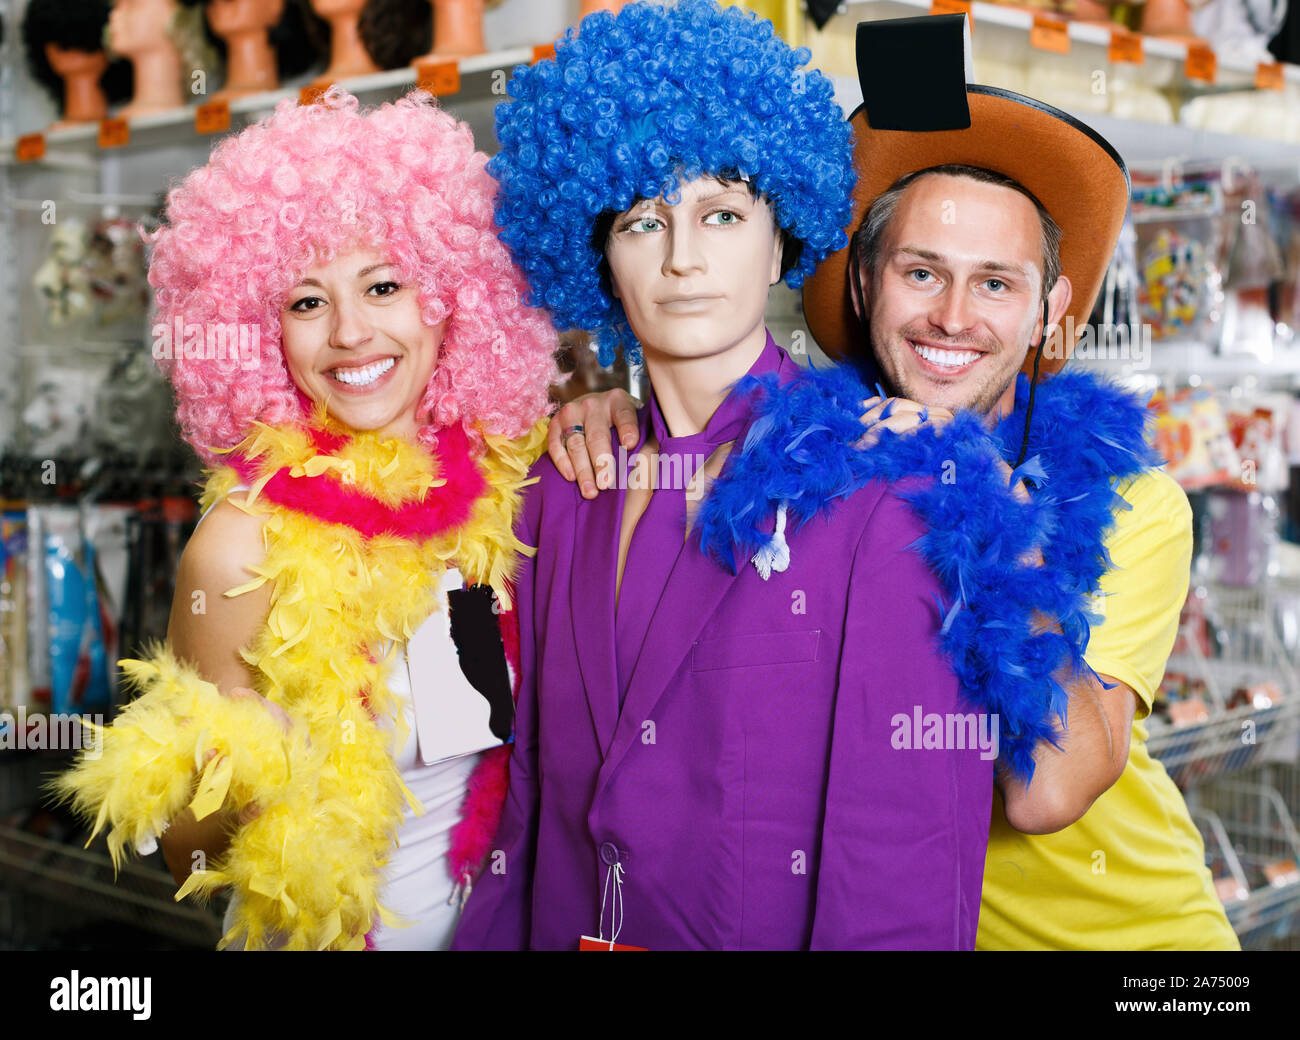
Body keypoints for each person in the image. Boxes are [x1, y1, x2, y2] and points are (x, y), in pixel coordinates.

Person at [554, 14, 1238, 950]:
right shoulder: (822, 459)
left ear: (1050, 311)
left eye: (996, 283)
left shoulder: (1131, 503)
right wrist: (608, 403)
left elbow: (1050, 790)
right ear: (868, 283)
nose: (953, 317)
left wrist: (983, 513)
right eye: (922, 272)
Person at [452, 0, 1089, 951]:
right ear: (596, 254)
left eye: (722, 213)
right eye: (640, 220)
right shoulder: (557, 482)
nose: (682, 259)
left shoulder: (892, 486)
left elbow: (898, 865)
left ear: (783, 233)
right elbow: (530, 800)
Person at [53, 88, 559, 951]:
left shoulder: (510, 485)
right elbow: (180, 851)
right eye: (306, 302)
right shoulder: (239, 549)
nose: (352, 334)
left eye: (384, 285)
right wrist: (253, 771)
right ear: (263, 331)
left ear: (448, 299)